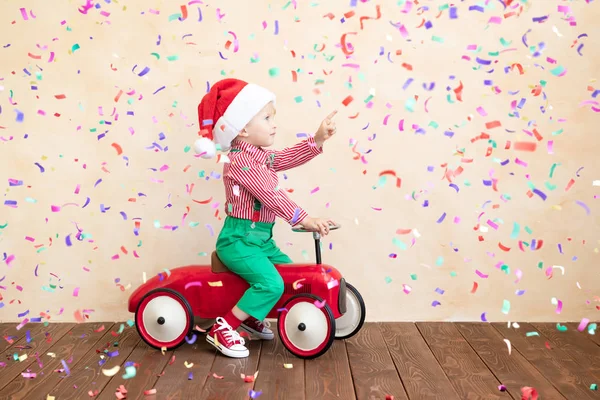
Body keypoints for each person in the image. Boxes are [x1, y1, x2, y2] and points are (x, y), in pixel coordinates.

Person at [193, 78, 338, 358]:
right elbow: (270, 194)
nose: (274, 123)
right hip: (239, 240)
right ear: (243, 128)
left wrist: (317, 140)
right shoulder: (241, 163)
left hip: (261, 241)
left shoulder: (258, 156)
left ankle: (250, 316)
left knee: (290, 276)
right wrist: (304, 218)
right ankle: (224, 328)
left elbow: (284, 157)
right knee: (271, 283)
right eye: (267, 117)